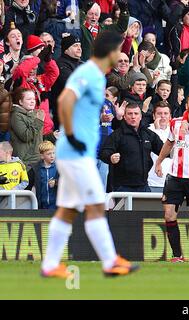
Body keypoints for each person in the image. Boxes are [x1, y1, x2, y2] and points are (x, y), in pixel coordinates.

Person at [41, 31, 139, 278]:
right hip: (76, 152)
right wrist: (72, 135)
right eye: (118, 50)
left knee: (67, 209)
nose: (120, 55)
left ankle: (51, 264)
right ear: (110, 51)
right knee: (96, 204)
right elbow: (64, 100)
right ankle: (109, 261)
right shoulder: (89, 74)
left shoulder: (95, 75)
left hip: (75, 151)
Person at [154, 93, 189, 262]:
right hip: (175, 177)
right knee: (169, 214)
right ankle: (177, 255)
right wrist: (158, 162)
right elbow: (169, 143)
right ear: (186, 105)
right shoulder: (176, 123)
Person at [100, 103, 163, 192]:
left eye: (136, 113)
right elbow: (104, 153)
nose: (133, 117)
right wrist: (110, 157)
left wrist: (174, 142)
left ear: (141, 116)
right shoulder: (117, 135)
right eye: (130, 113)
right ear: (124, 117)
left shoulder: (148, 134)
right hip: (122, 186)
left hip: (143, 184)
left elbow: (163, 150)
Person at [51, 34, 83, 129]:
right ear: (66, 49)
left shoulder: (81, 63)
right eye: (75, 45)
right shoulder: (61, 64)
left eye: (80, 45)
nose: (79, 48)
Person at [9, 87, 44, 166]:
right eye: (29, 99)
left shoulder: (35, 114)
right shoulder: (16, 115)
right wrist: (39, 121)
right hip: (25, 161)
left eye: (34, 99)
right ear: (20, 102)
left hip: (38, 159)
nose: (32, 102)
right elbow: (26, 136)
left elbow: (37, 136)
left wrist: (52, 136)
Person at [147, 101, 172, 193]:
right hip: (152, 181)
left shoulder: (175, 131)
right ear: (154, 116)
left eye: (165, 113)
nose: (162, 116)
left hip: (171, 182)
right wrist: (157, 130)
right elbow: (159, 147)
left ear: (170, 116)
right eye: (159, 113)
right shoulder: (147, 130)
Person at [28, 141, 58, 209]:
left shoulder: (60, 167)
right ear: (42, 156)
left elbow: (68, 182)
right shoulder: (35, 169)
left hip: (57, 207)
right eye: (49, 154)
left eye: (53, 153)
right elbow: (27, 186)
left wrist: (56, 182)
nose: (52, 156)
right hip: (41, 207)